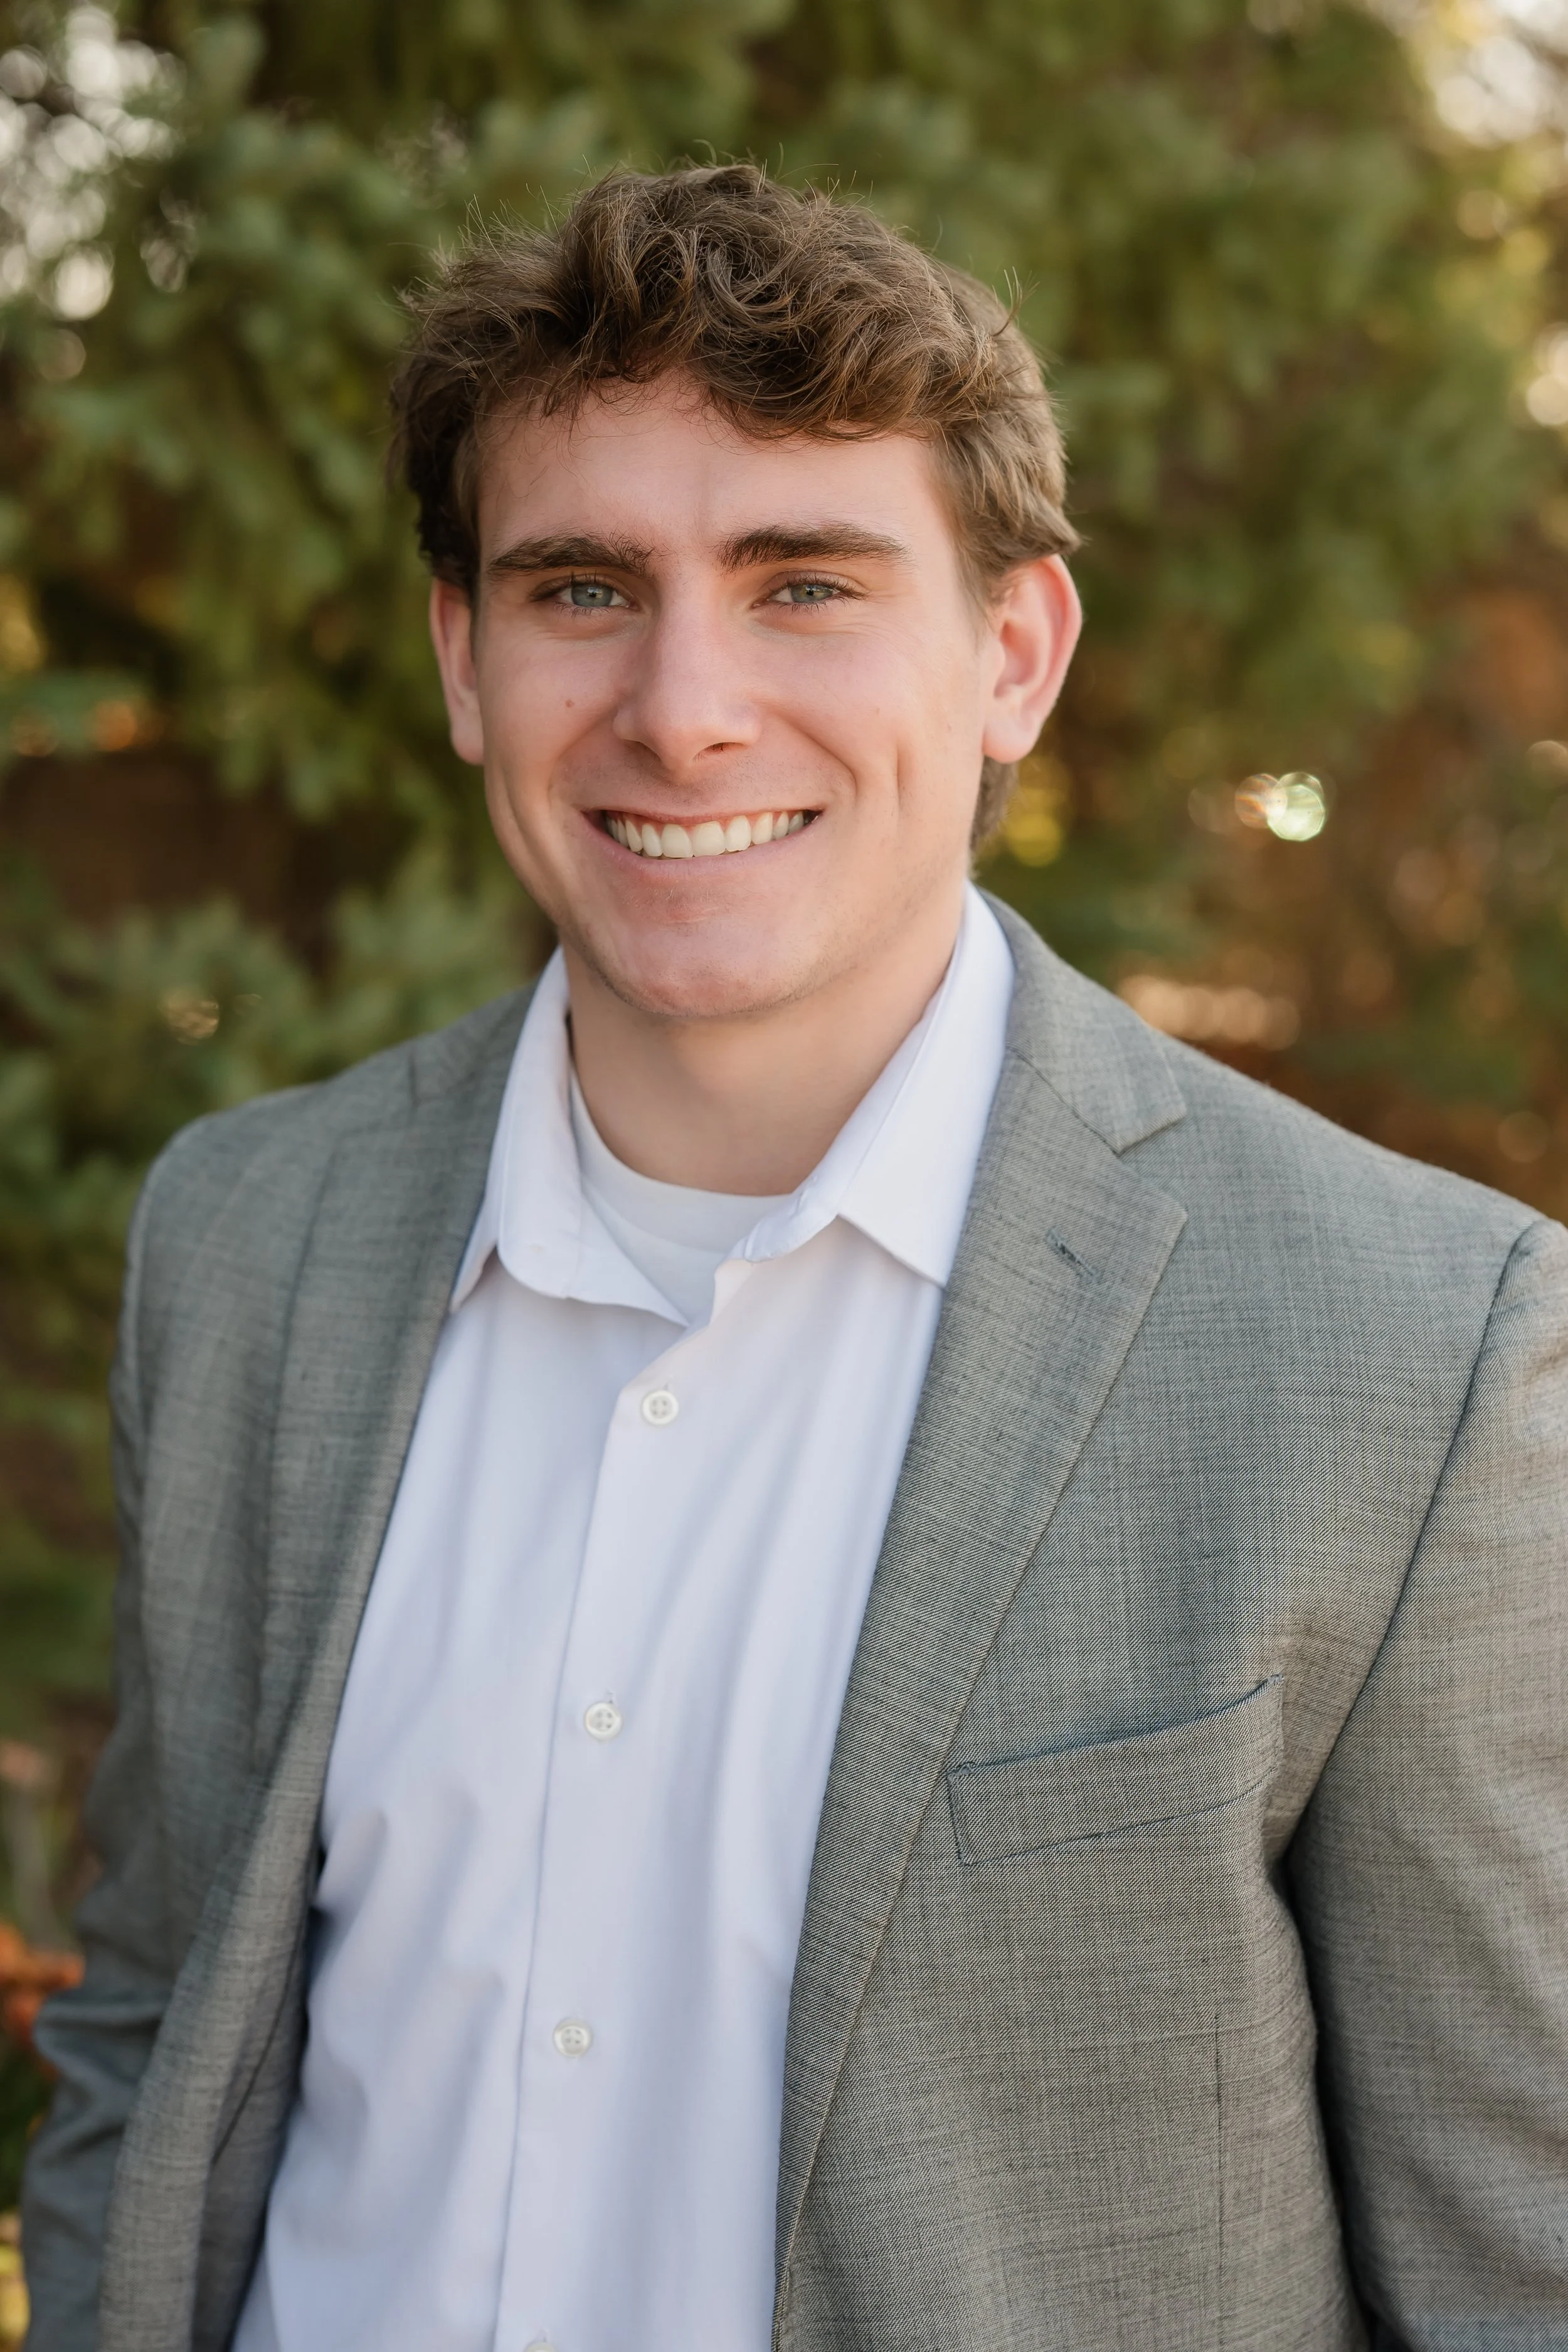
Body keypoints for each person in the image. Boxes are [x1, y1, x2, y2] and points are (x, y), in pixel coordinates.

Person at [20, 164, 1568, 2352]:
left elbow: (1514, 2259)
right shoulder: (250, 1237)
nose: (683, 708)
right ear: (464, 658)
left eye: (804, 583)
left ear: (1011, 655)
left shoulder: (1408, 1348)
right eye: (581, 588)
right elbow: (163, 2017)